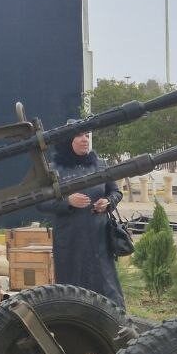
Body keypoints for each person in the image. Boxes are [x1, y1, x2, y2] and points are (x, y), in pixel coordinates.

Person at [37, 127, 126, 309]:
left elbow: (116, 192)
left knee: (107, 286)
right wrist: (67, 201)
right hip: (70, 240)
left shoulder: (99, 165)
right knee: (72, 287)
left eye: (87, 135)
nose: (85, 139)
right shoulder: (54, 169)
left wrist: (108, 202)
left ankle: (116, 325)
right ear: (68, 140)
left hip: (99, 238)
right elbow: (40, 202)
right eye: (79, 136)